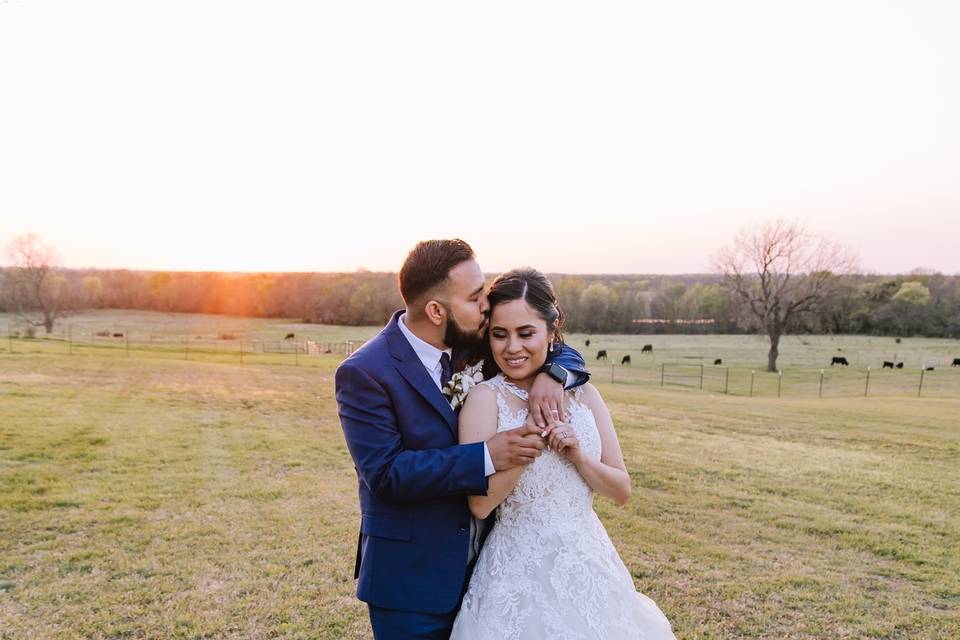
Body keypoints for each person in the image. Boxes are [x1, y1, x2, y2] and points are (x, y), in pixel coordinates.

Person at [335, 240, 590, 639]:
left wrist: (554, 375)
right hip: (410, 584)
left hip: (487, 577)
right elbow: (385, 473)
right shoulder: (365, 373)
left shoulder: (471, 344)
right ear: (437, 311)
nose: (486, 309)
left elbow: (549, 341)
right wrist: (485, 456)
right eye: (475, 299)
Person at [450, 268, 675, 639]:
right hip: (518, 571)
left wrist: (579, 456)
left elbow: (621, 490)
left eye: (526, 333)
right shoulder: (483, 399)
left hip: (589, 563)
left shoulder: (585, 395)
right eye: (499, 335)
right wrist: (529, 444)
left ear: (552, 331)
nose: (512, 348)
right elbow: (479, 504)